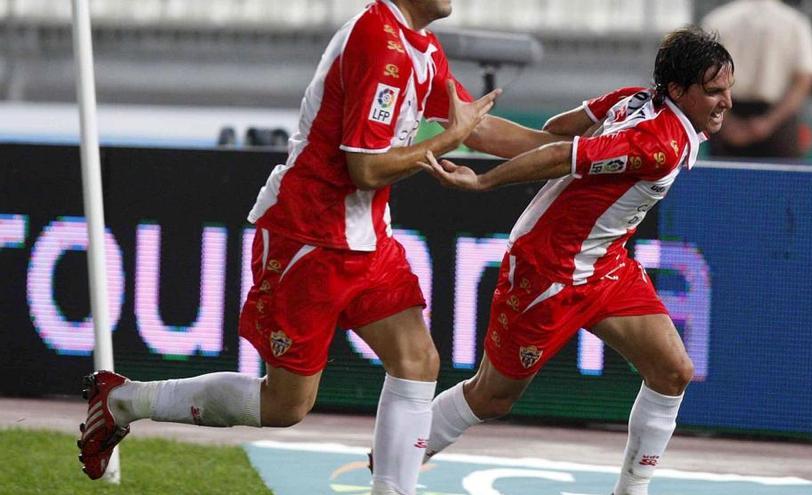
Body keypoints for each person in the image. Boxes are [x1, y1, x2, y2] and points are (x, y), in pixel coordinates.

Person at [76, 1, 563, 494]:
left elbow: (475, 126)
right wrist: (446, 140)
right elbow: (366, 168)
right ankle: (124, 402)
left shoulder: (420, 46)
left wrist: (572, 150)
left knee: (418, 360)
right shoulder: (380, 44)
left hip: (365, 240)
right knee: (285, 406)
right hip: (307, 237)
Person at [418, 27, 733, 495]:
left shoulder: (633, 99)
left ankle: (631, 491)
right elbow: (558, 154)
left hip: (605, 264)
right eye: (712, 92)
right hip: (547, 269)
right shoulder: (657, 144)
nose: (726, 101)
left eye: (728, 88)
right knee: (492, 395)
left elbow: (552, 132)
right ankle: (398, 451)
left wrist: (480, 136)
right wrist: (483, 182)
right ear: (677, 91)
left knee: (672, 371)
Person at [703, 0, 812, 158]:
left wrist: (725, 122)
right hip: (777, 120)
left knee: (722, 181)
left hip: (725, 114)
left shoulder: (717, 20)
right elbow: (806, 78)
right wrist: (769, 122)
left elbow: (702, 75)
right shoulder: (796, 22)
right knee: (783, 182)